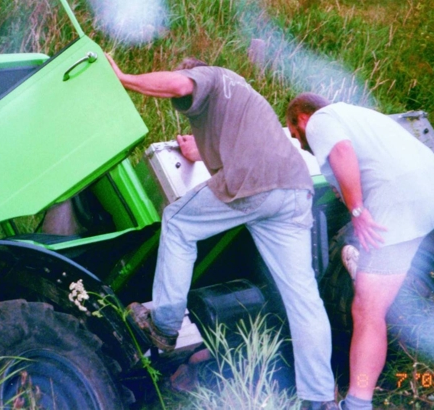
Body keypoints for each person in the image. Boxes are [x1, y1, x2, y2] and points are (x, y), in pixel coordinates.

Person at [107, 55, 338, 409]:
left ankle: (164, 325)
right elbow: (232, 140)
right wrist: (196, 152)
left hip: (256, 183)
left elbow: (180, 84)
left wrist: (125, 78)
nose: (182, 104)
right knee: (303, 298)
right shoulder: (237, 92)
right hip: (295, 190)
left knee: (179, 223)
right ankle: (320, 397)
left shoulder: (206, 77)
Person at [285, 93, 434, 410]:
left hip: (398, 200)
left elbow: (341, 151)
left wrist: (358, 211)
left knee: (366, 312)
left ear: (301, 119)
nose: (300, 144)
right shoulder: (360, 116)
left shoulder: (320, 120)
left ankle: (358, 403)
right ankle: (364, 269)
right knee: (374, 296)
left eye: (295, 134)